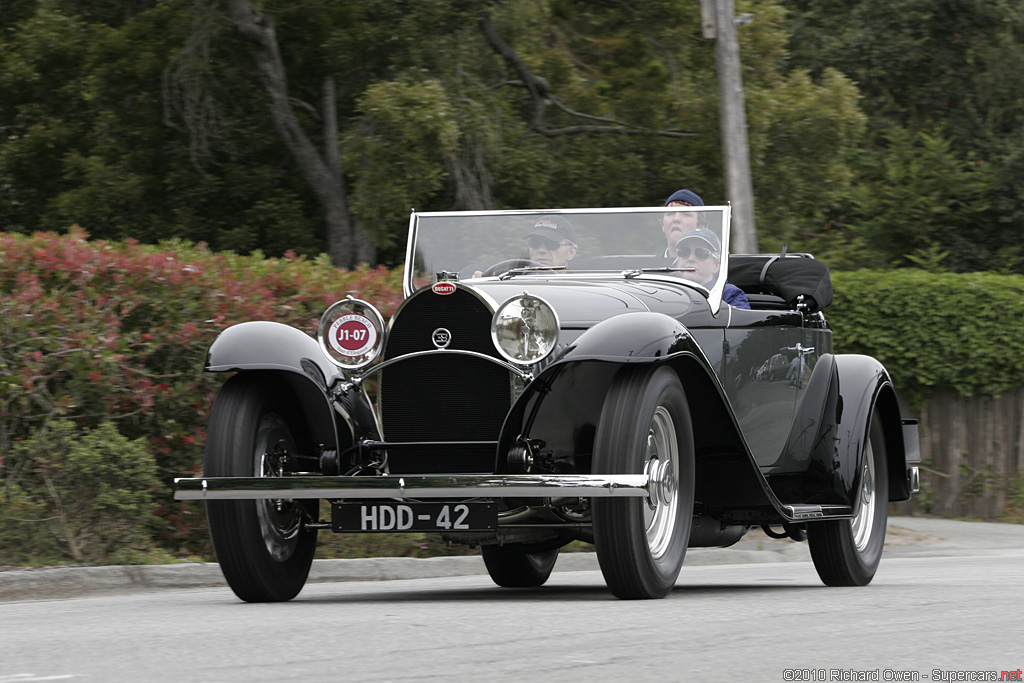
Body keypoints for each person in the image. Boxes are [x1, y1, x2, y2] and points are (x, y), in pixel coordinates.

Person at [668, 206, 752, 310]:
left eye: (701, 253)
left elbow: (739, 324)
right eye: (684, 252)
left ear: (716, 266)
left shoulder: (729, 294)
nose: (691, 258)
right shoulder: (667, 292)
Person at [472, 215, 577, 277]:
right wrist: (480, 276)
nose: (541, 250)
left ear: (571, 252)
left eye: (551, 244)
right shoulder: (514, 276)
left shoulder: (582, 285)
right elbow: (479, 272)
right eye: (535, 243)